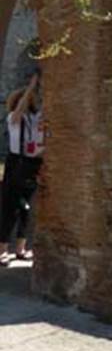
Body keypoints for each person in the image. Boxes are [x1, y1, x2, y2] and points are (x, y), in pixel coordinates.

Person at [0, 71, 44, 266]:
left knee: (26, 207)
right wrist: (30, 88)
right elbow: (18, 111)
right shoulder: (14, 119)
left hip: (32, 163)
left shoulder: (36, 118)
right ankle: (2, 250)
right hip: (17, 163)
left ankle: (20, 248)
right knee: (11, 207)